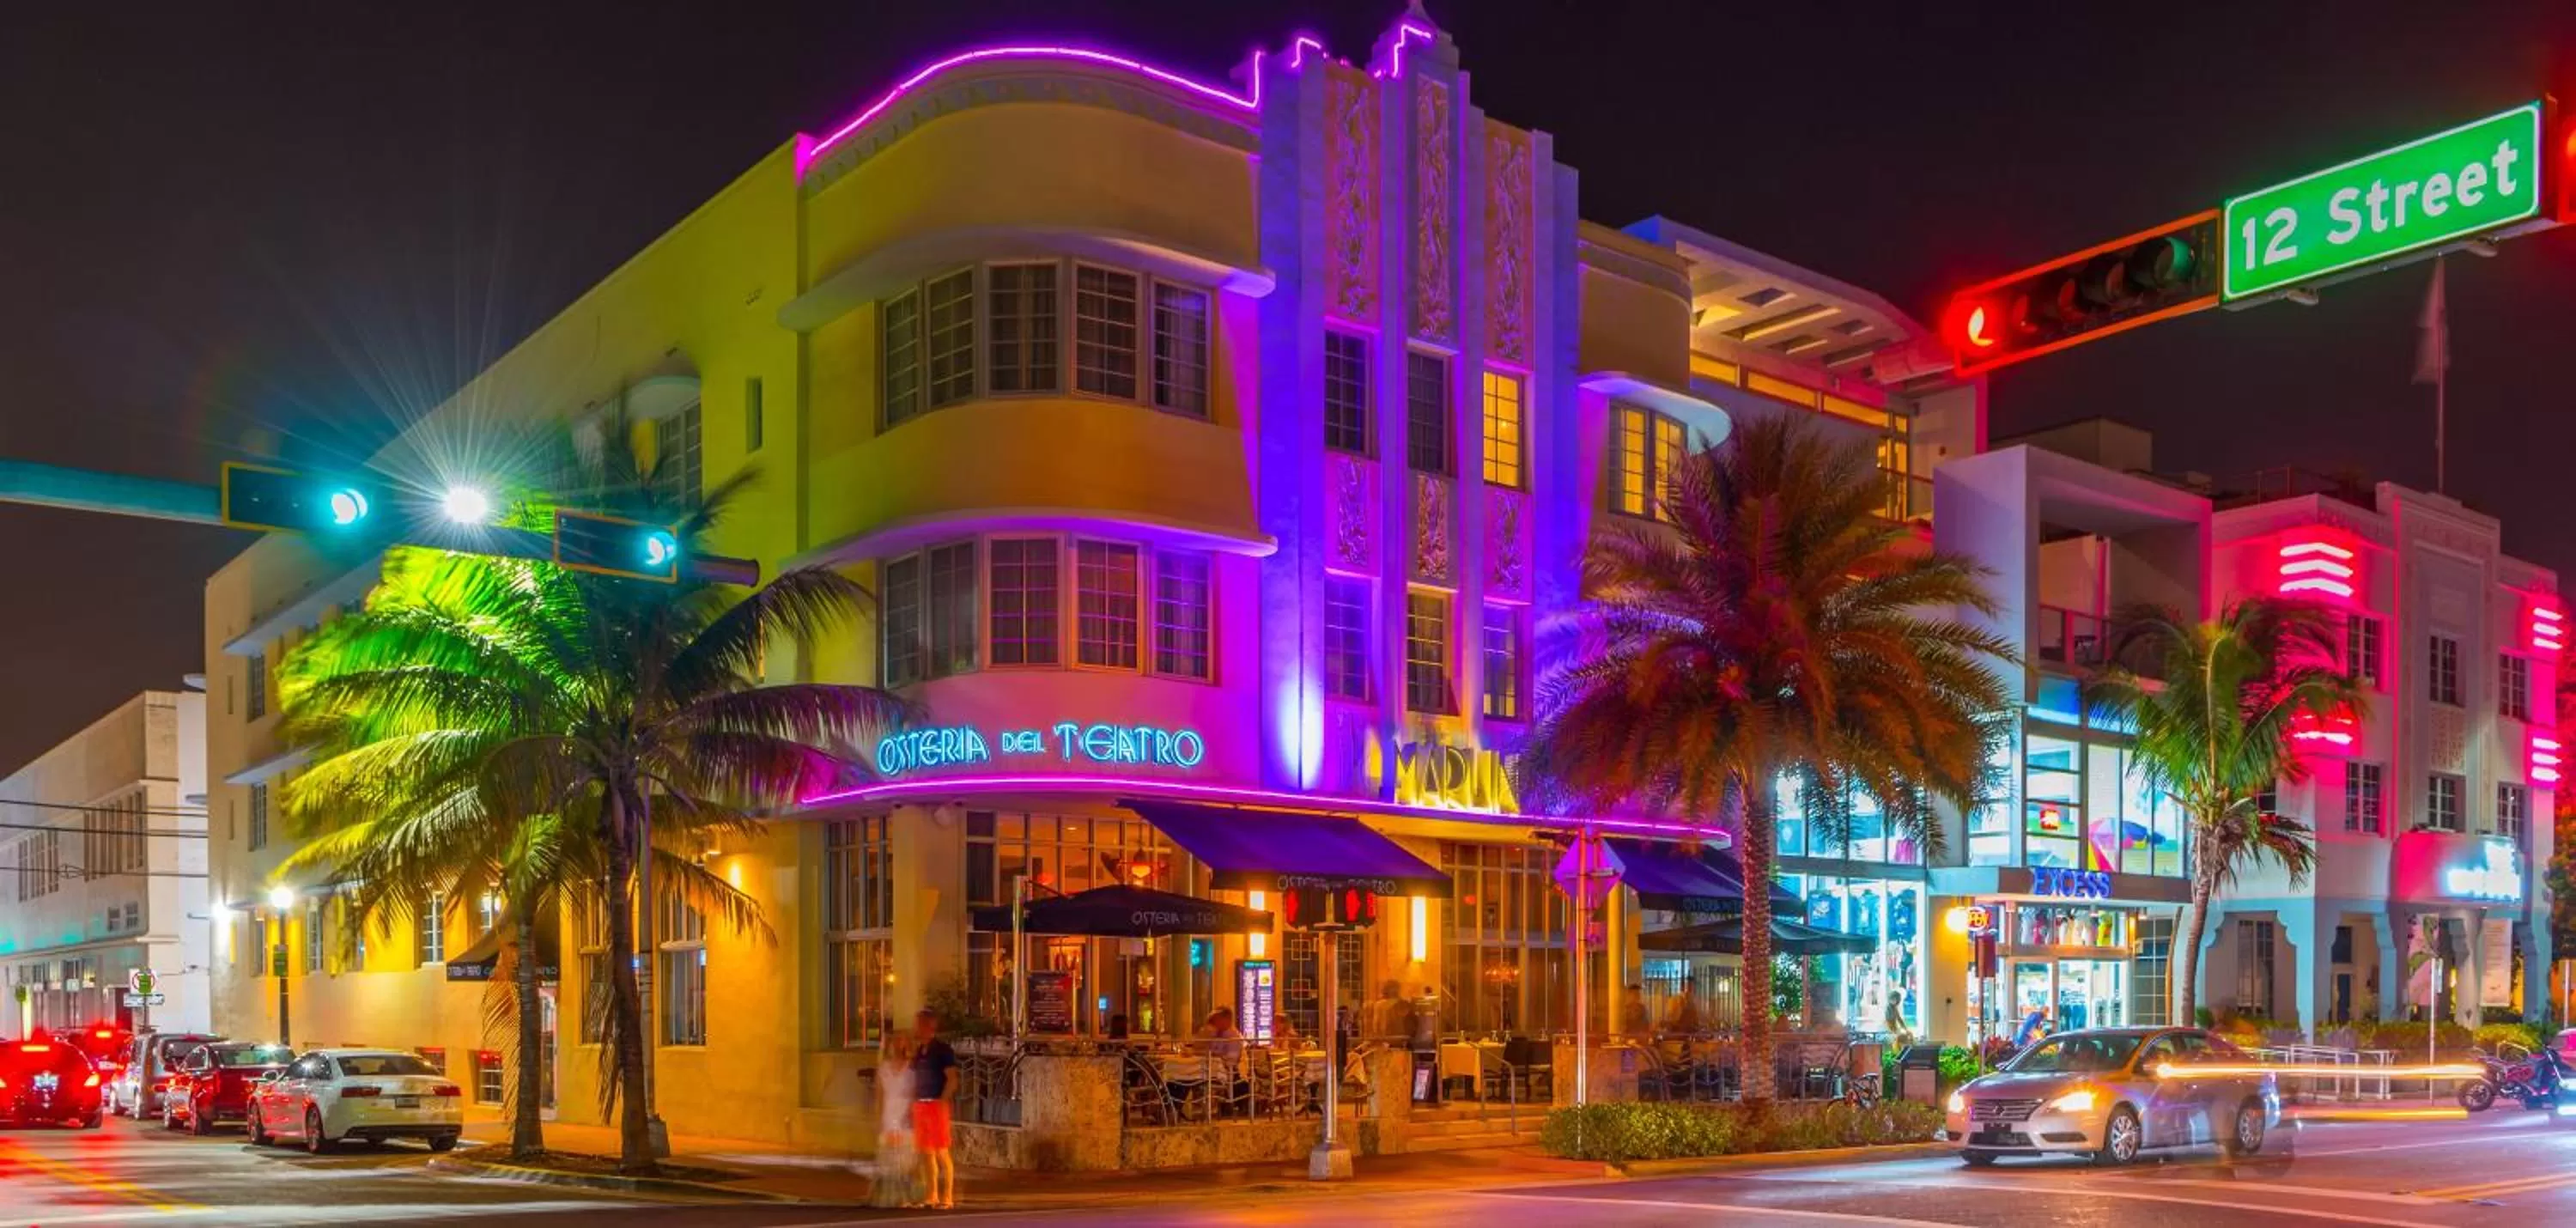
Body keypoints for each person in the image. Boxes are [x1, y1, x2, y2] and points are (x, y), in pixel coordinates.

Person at [908, 1010, 958, 1211]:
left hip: (936, 1105)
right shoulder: (920, 1051)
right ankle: (932, 1196)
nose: (916, 1028)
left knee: (941, 1152)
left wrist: (942, 1101)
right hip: (921, 1104)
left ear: (930, 1026)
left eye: (920, 1024)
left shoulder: (942, 1050)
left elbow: (952, 1078)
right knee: (926, 1153)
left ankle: (947, 1197)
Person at [868, 1035, 922, 1208]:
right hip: (888, 1116)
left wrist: (913, 1120)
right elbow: (879, 1097)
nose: (899, 1048)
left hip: (905, 1118)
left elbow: (914, 1097)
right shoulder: (883, 1070)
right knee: (888, 1161)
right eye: (896, 1044)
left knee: (905, 1160)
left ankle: (907, 1196)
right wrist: (878, 1122)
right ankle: (888, 1197)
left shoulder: (912, 1072)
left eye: (902, 1044)